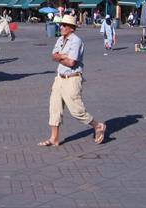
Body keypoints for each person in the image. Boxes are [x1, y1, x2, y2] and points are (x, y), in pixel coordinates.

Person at [38, 15, 106, 147]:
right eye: (61, 24)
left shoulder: (76, 41)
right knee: (54, 108)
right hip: (59, 78)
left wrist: (59, 56)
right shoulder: (60, 39)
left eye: (64, 25)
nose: (61, 27)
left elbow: (71, 62)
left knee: (77, 110)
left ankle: (98, 126)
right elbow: (53, 56)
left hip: (72, 78)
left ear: (71, 28)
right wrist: (60, 56)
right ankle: (54, 138)